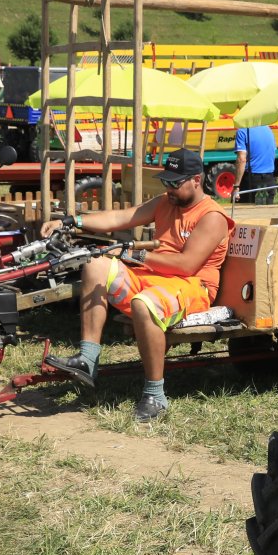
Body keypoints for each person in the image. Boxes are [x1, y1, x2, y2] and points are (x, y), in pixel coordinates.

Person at [41, 149, 234, 421]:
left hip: (193, 285)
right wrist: (71, 222)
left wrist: (136, 255)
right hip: (154, 276)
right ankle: (88, 358)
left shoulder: (212, 216)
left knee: (144, 304)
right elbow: (120, 218)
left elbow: (187, 265)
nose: (168, 188)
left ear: (197, 180)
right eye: (165, 181)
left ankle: (155, 395)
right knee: (95, 264)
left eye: (175, 183)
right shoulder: (165, 202)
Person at [232, 124, 277, 201]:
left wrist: (236, 186)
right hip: (269, 179)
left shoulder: (242, 131)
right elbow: (273, 154)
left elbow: (241, 159)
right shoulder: (268, 129)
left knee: (243, 207)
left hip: (251, 180)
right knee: (267, 208)